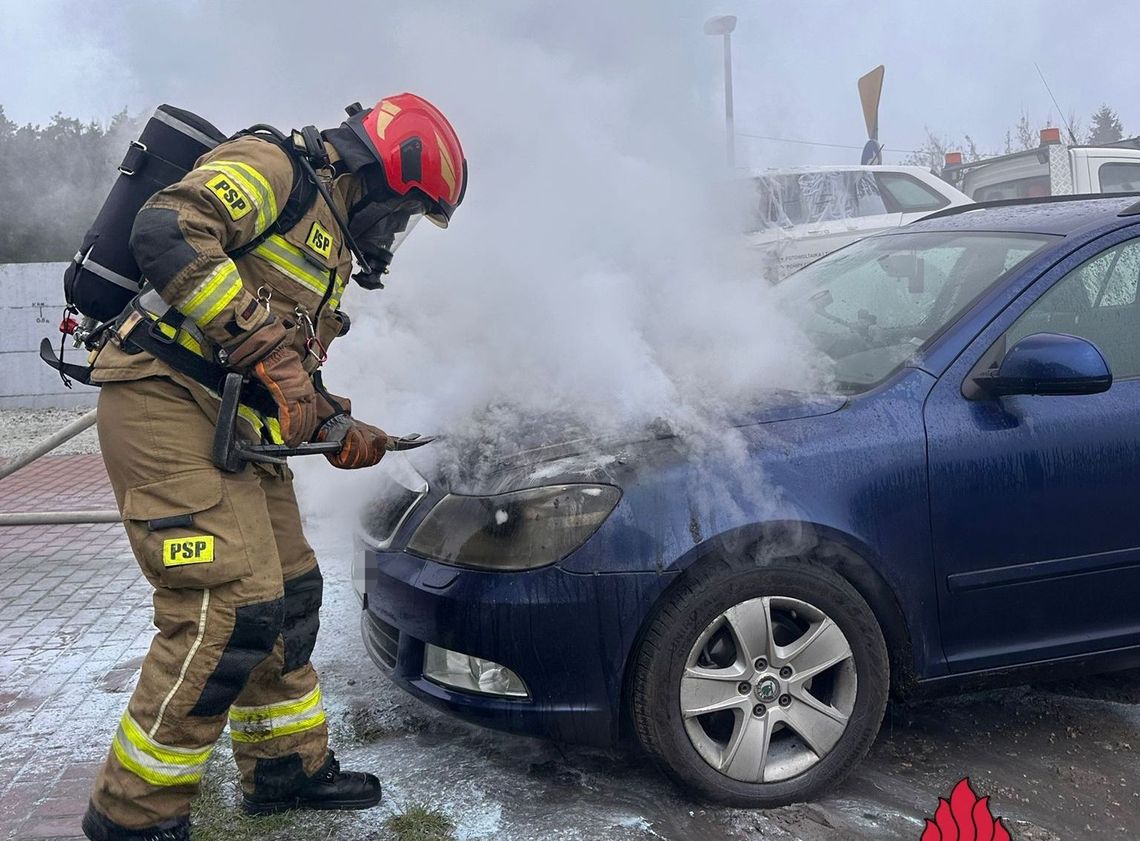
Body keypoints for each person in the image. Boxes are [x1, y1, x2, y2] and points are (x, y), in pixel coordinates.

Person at [80, 94, 467, 841]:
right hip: (163, 400)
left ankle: (284, 767)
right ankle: (132, 816)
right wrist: (270, 353)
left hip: (234, 424)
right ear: (386, 176)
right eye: (407, 211)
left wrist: (336, 421)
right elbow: (167, 226)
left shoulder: (328, 236)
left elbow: (283, 367)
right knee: (226, 608)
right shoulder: (275, 167)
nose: (398, 231)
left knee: (289, 592)